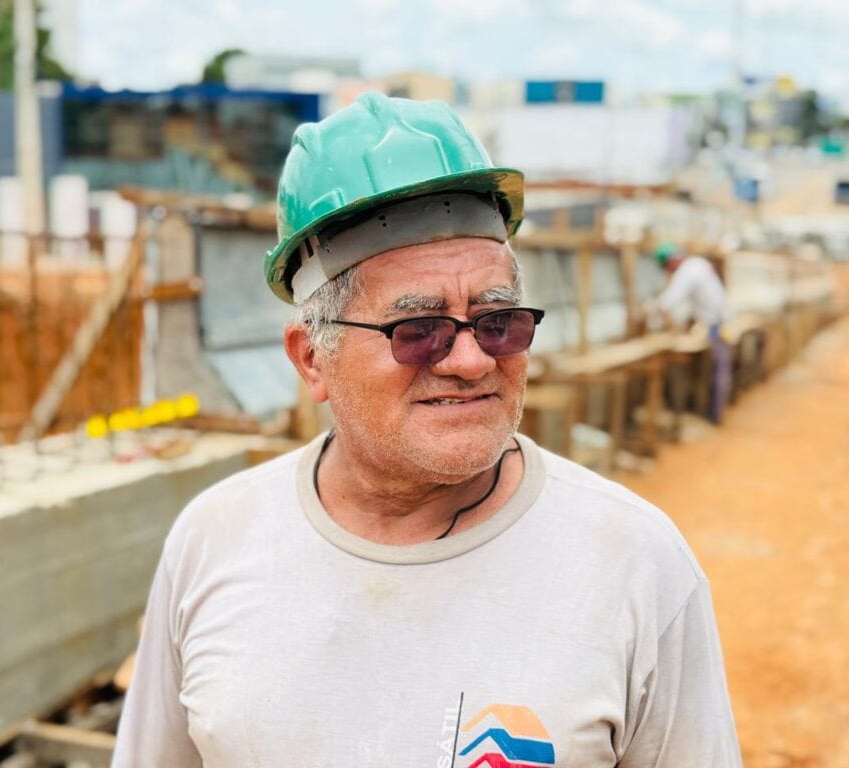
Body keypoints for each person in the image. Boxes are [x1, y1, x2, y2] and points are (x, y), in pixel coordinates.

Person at [112, 93, 741, 767]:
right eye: (418, 331)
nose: (470, 361)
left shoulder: (636, 565)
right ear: (311, 359)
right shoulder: (215, 545)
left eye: (498, 322)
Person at [649, 242, 733, 422]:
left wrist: (652, 310)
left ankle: (714, 413)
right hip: (719, 320)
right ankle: (714, 410)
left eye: (667, 267)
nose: (668, 271)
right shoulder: (697, 265)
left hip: (715, 325)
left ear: (671, 262)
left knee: (717, 368)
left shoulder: (688, 271)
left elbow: (670, 299)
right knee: (719, 367)